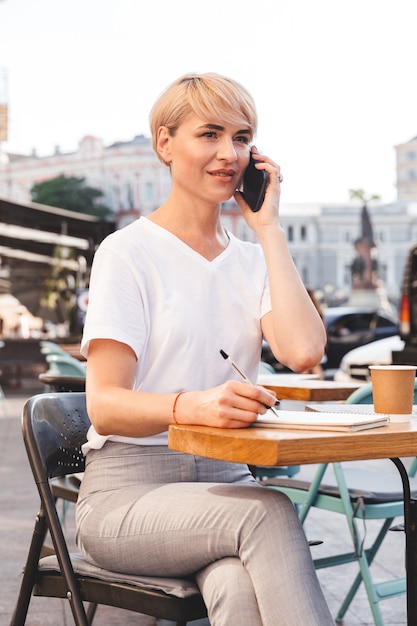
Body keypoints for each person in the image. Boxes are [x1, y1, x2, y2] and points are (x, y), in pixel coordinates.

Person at [76, 72, 332, 626]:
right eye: (209, 134)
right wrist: (190, 405)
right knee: (270, 512)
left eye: (241, 139)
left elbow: (305, 351)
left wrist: (269, 230)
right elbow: (105, 405)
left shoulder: (252, 260)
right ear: (165, 143)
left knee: (240, 589)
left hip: (224, 485)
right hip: (127, 495)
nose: (228, 154)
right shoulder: (127, 253)